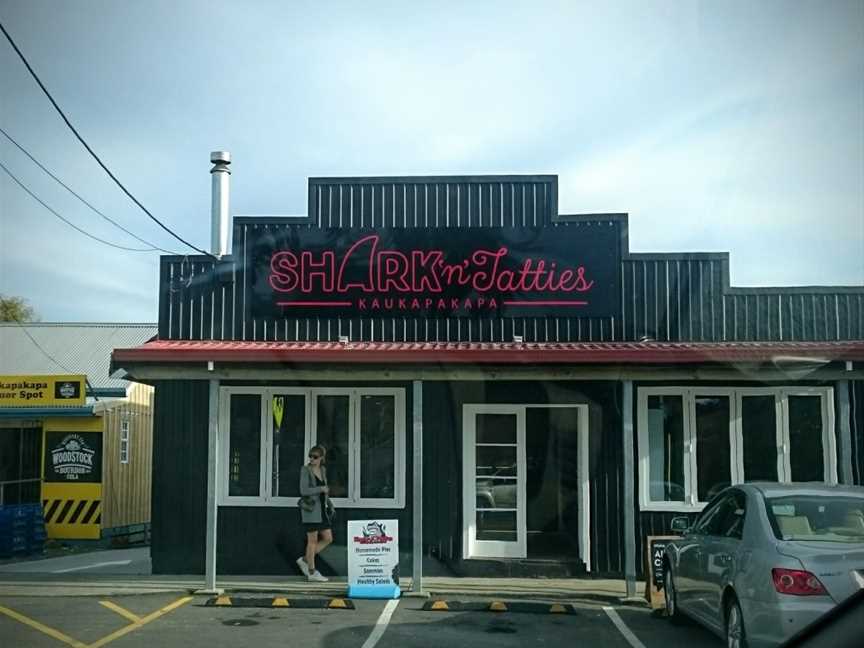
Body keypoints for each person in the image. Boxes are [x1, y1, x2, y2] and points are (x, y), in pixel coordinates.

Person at [296, 445, 334, 582]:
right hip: (311, 511)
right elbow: (303, 490)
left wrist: (330, 504)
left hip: (322, 510)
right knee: (312, 541)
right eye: (310, 456)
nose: (312, 459)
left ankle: (305, 559)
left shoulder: (322, 470)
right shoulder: (305, 470)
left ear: (321, 458)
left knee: (328, 538)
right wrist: (320, 488)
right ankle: (312, 572)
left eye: (315, 457)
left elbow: (326, 491)